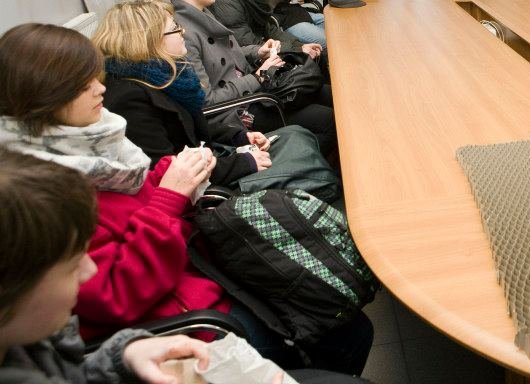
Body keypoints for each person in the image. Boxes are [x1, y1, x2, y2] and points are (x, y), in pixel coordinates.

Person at [0, 24, 372, 376]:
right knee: (344, 330)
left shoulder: (94, 141)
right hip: (182, 315)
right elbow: (116, 292)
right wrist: (170, 194)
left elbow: (138, 200)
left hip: (195, 269)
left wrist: (173, 172)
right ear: (45, 95)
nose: (99, 89)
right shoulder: (40, 189)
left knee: (343, 319)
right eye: (83, 85)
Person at [0, 147, 213, 383]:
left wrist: (123, 356)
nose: (90, 270)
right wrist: (169, 196)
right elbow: (118, 290)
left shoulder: (29, 341)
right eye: (72, 266)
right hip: (190, 313)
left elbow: (76, 373)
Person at [155, 0, 338, 159]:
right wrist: (257, 77)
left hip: (251, 94)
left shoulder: (202, 13)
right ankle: (311, 170)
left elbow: (222, 54)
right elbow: (207, 101)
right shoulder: (183, 34)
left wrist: (257, 52)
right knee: (328, 121)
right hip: (237, 112)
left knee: (329, 93)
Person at [93, 0, 274, 187]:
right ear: (149, 40)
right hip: (204, 188)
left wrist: (237, 136)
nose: (183, 32)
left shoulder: (163, 77)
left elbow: (189, 124)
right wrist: (243, 163)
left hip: (210, 166)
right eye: (174, 28)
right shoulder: (130, 99)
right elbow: (168, 172)